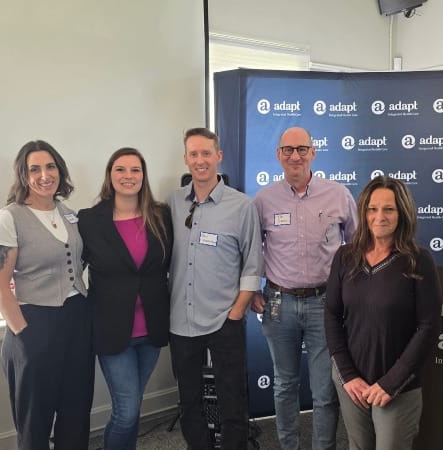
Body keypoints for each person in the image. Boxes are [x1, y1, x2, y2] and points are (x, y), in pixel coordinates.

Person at [251, 126, 357, 450]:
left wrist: (352, 293)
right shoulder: (263, 200)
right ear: (278, 155)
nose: (294, 156)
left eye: (301, 149)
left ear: (313, 152)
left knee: (324, 391)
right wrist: (253, 289)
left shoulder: (338, 195)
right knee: (284, 385)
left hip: (325, 304)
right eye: (288, 150)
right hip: (279, 303)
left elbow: (357, 246)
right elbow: (253, 250)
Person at [0, 140, 94, 450]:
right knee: (35, 420)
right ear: (23, 175)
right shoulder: (9, 218)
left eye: (50, 167)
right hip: (34, 321)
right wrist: (24, 334)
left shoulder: (68, 213)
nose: (45, 175)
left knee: (76, 411)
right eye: (35, 169)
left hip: (77, 319)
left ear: (60, 170)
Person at [324, 176, 442, 450]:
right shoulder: (345, 257)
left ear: (402, 213)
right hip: (352, 381)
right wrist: (348, 375)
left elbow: (429, 327)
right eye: (372, 209)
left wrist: (392, 382)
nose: (379, 216)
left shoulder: (418, 260)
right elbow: (331, 314)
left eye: (389, 209)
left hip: (398, 385)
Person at [168, 127, 264, 449]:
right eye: (194, 154)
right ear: (186, 159)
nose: (200, 160)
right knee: (189, 400)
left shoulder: (241, 206)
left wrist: (236, 312)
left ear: (218, 156)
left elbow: (252, 265)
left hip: (225, 318)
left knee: (232, 399)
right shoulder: (172, 203)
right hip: (181, 320)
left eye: (206, 153)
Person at [77, 147, 173, 450]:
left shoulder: (161, 216)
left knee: (132, 406)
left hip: (151, 328)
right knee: (127, 410)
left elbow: (172, 263)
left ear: (143, 176)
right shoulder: (90, 220)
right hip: (112, 331)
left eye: (135, 170)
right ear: (110, 175)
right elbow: (71, 267)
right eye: (120, 169)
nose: (128, 176)